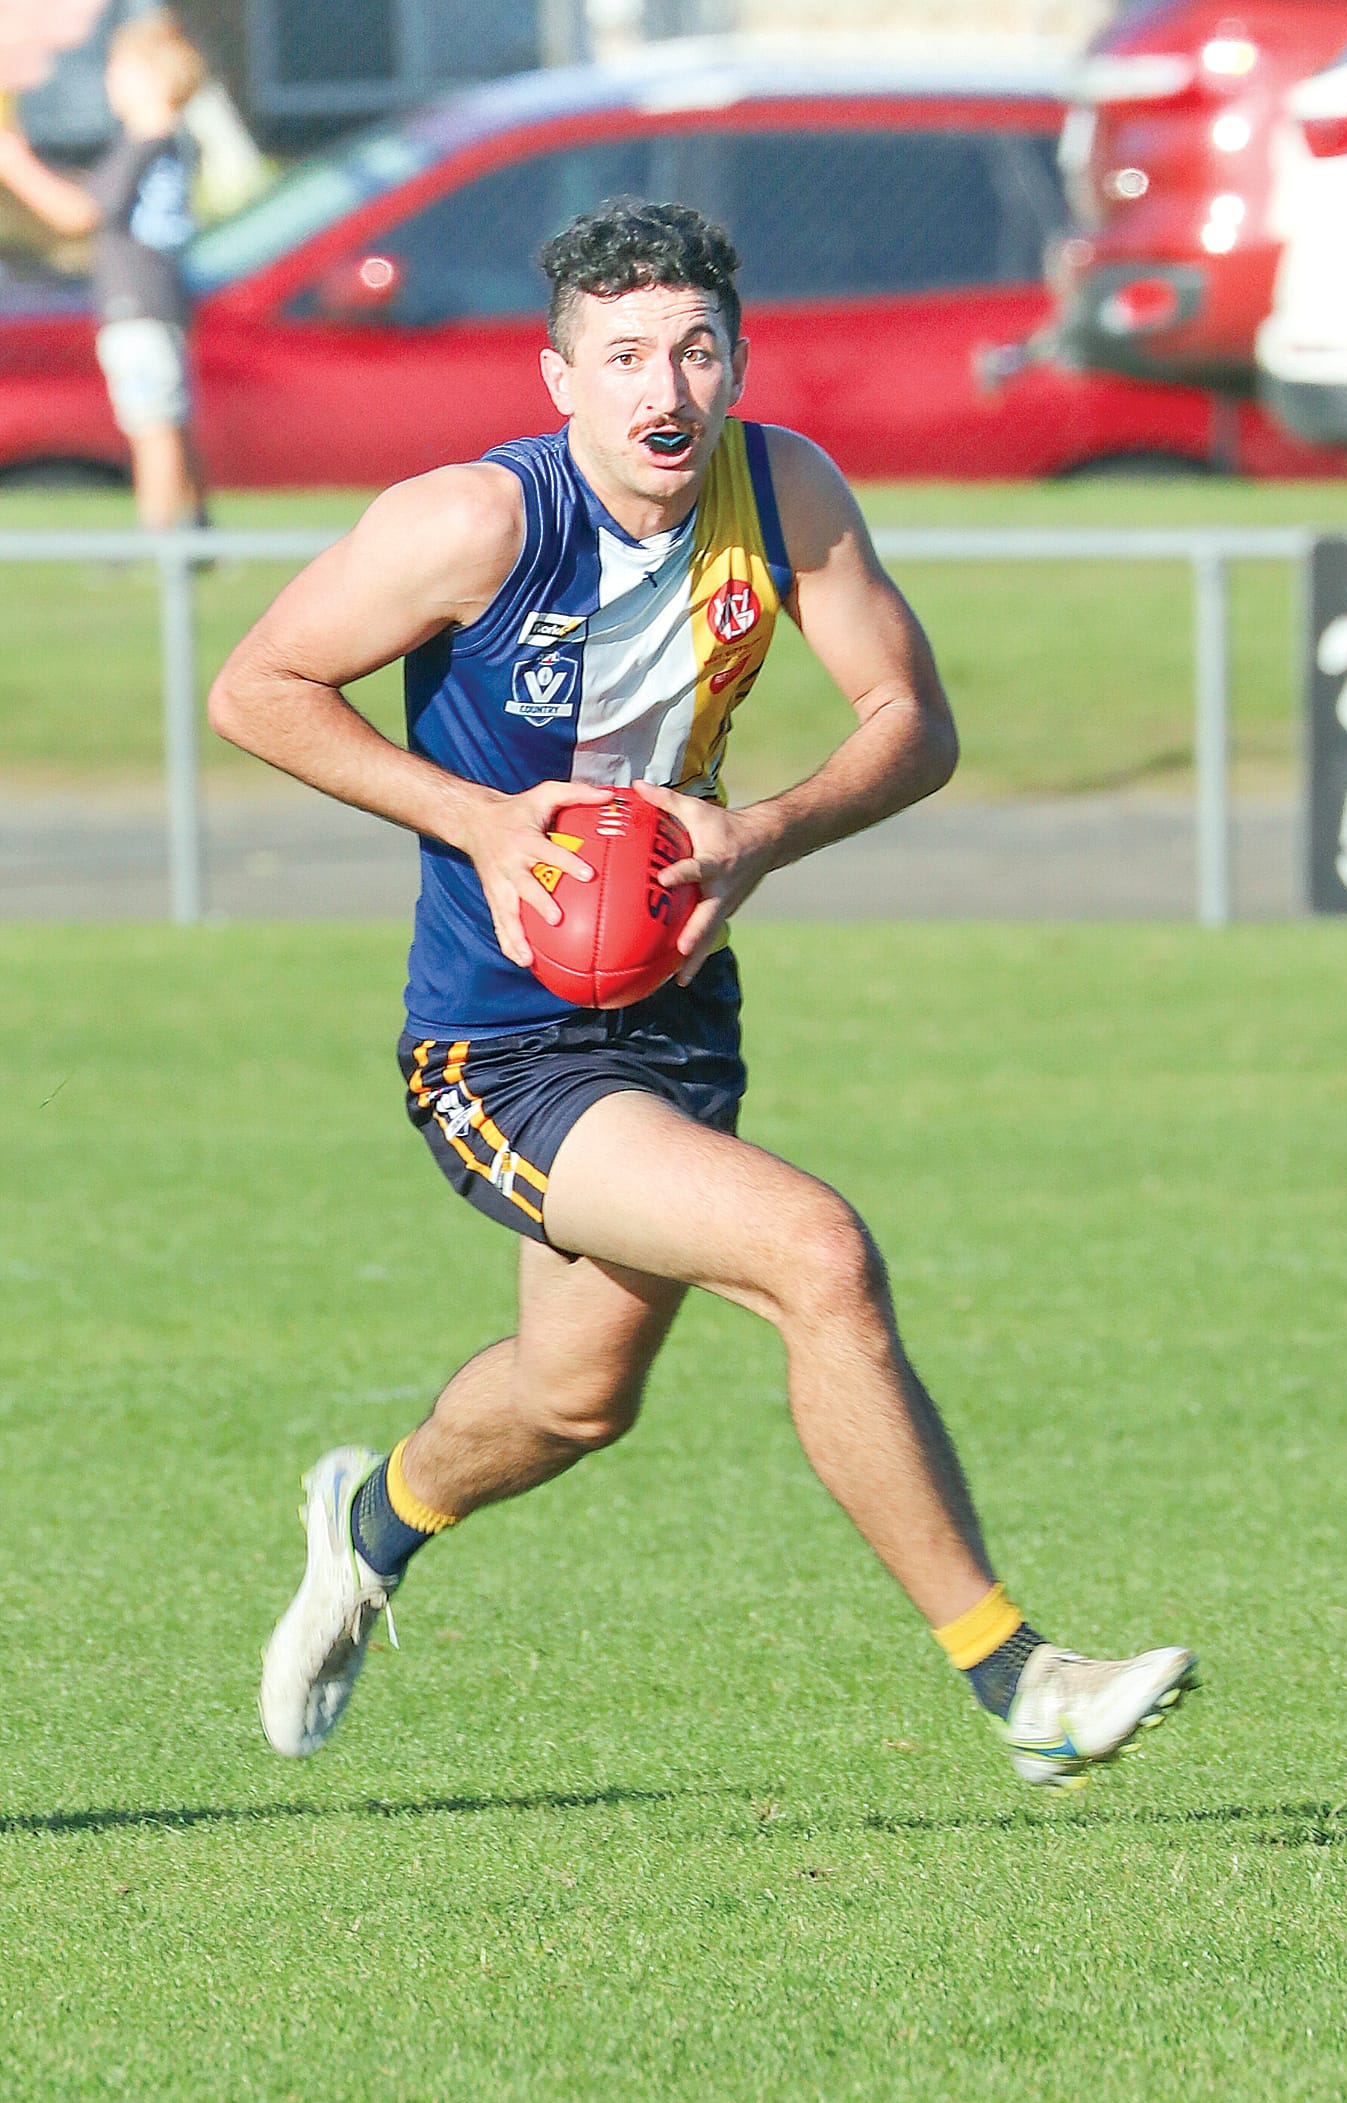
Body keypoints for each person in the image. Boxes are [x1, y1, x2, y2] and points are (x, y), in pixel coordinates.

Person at [208, 200, 1198, 1789]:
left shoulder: (782, 487)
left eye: (693, 349)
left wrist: (763, 832)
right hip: (503, 1041)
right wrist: (480, 818)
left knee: (573, 1399)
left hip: (675, 1012)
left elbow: (910, 718)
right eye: (622, 357)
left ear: (735, 360)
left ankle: (368, 1516)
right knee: (818, 1254)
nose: (662, 388)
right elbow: (252, 685)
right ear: (560, 379)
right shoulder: (474, 522)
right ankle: (1022, 1681)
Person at [0, 10, 207, 530]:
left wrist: (15, 163)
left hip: (135, 302)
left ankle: (158, 535)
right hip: (159, 299)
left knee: (151, 424)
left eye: (120, 71)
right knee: (169, 417)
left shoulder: (145, 141)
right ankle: (198, 527)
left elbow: (80, 214)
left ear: (151, 78)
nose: (110, 83)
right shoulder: (170, 142)